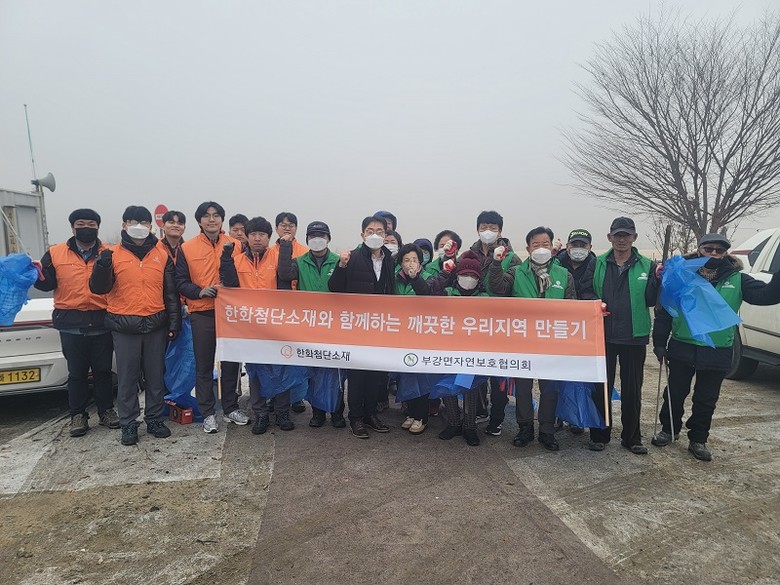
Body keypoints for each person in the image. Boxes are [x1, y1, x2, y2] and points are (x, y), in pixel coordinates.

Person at [652, 234, 780, 461]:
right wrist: (659, 342)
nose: (713, 253)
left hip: (718, 349)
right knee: (675, 392)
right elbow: (665, 311)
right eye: (708, 249)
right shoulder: (682, 276)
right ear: (699, 249)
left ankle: (698, 439)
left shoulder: (738, 279)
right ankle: (668, 430)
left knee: (706, 398)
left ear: (725, 253)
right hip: (683, 344)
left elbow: (766, 296)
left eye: (719, 250)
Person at [89, 206, 181, 446]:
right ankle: (129, 422)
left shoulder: (161, 254)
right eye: (132, 221)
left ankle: (155, 418)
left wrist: (174, 322)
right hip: (124, 326)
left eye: (143, 222)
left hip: (155, 324)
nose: (138, 226)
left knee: (155, 376)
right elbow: (98, 288)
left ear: (151, 226)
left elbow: (170, 293)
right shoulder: (110, 254)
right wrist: (102, 266)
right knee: (128, 378)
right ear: (124, 225)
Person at [489, 226, 577, 451]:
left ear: (552, 247)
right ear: (528, 249)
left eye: (545, 244)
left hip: (552, 343)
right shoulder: (516, 272)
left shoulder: (564, 275)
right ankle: (525, 427)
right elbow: (497, 287)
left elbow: (572, 309)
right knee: (523, 388)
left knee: (549, 388)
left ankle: (547, 430)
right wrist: (496, 263)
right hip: (523, 343)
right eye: (535, 245)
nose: (540, 249)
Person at [34, 208, 119, 437]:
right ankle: (78, 415)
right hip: (71, 323)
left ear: (98, 228)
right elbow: (46, 283)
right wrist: (35, 273)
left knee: (103, 372)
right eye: (81, 224)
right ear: (72, 227)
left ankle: (106, 411)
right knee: (77, 373)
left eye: (91, 224)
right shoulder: (56, 253)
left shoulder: (109, 252)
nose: (86, 228)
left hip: (102, 322)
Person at [587, 216, 659, 454]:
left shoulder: (647, 265)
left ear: (634, 238)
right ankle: (599, 434)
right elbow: (586, 291)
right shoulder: (597, 263)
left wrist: (658, 281)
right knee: (601, 388)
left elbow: (651, 300)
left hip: (633, 336)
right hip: (603, 336)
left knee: (632, 390)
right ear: (610, 237)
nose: (622, 240)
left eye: (626, 235)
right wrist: (595, 304)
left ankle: (632, 438)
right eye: (617, 235)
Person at [175, 201, 248, 434]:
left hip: (231, 314)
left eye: (216, 215)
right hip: (202, 313)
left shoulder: (236, 245)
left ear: (222, 219)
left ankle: (230, 408)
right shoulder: (187, 248)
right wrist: (199, 291)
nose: (212, 219)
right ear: (199, 221)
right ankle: (207, 413)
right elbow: (180, 282)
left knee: (231, 363)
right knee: (204, 364)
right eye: (206, 216)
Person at [220, 216, 298, 434]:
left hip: (275, 325)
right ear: (246, 236)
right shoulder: (236, 261)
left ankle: (282, 412)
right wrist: (225, 259)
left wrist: (286, 249)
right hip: (249, 328)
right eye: (253, 234)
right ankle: (260, 413)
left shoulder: (278, 257)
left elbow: (286, 280)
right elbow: (230, 288)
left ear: (268, 237)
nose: (257, 238)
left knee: (281, 368)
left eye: (262, 234)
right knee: (255, 371)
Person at [328, 214, 395, 439]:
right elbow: (335, 288)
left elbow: (391, 292)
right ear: (362, 235)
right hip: (357, 327)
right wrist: (341, 266)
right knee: (357, 376)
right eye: (370, 231)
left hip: (380, 327)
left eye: (379, 231)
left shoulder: (389, 259)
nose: (375, 235)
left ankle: (370, 414)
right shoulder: (352, 258)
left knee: (375, 375)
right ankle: (355, 418)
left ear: (386, 235)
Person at [277, 220, 347, 428]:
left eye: (322, 236)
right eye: (313, 236)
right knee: (314, 371)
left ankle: (337, 412)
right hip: (309, 326)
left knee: (335, 372)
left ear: (328, 239)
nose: (318, 240)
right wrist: (285, 246)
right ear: (307, 240)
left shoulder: (339, 262)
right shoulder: (299, 262)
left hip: (334, 326)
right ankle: (317, 413)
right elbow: (284, 274)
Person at [468, 211, 522, 428]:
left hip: (500, 325)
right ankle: (479, 410)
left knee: (499, 373)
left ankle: (497, 417)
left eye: (492, 227)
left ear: (500, 231)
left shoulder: (512, 259)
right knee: (476, 368)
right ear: (477, 230)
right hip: (475, 323)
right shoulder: (469, 255)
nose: (487, 231)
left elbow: (504, 289)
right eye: (483, 227)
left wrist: (496, 262)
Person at [436, 251, 489, 446]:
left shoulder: (485, 298)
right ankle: (453, 422)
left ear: (479, 279)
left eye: (473, 276)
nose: (468, 279)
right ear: (457, 275)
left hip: (473, 350)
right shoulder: (447, 293)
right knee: (447, 384)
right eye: (464, 274)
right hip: (448, 348)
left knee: (470, 387)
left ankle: (469, 426)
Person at [554, 228, 598, 435]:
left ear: (589, 247)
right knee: (555, 374)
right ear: (567, 246)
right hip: (558, 328)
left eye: (583, 245)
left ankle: (576, 417)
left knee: (580, 375)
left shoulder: (596, 266)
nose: (578, 249)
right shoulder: (556, 264)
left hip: (585, 329)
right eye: (575, 245)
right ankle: (555, 415)